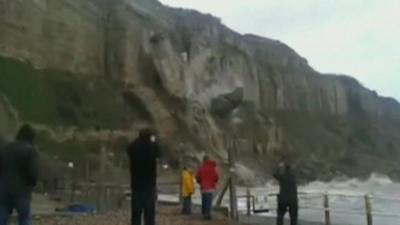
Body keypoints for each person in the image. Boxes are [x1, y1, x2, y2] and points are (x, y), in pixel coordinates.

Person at [0, 124, 39, 225]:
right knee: (24, 218)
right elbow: (33, 173)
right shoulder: (30, 151)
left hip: (4, 191)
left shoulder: (5, 148)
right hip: (22, 192)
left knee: (2, 217)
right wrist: (33, 183)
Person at [127, 128, 160, 225]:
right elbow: (159, 153)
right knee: (149, 213)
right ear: (150, 136)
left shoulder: (134, 146)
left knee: (136, 213)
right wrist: (153, 141)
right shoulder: (152, 147)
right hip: (149, 184)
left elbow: (128, 149)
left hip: (136, 184)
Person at [196, 155, 219, 220]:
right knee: (209, 201)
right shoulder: (213, 168)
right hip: (211, 187)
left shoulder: (201, 168)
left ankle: (204, 213)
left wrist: (200, 182)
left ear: (203, 160)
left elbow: (198, 177)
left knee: (204, 200)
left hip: (203, 187)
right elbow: (216, 177)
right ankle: (208, 214)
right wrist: (214, 182)